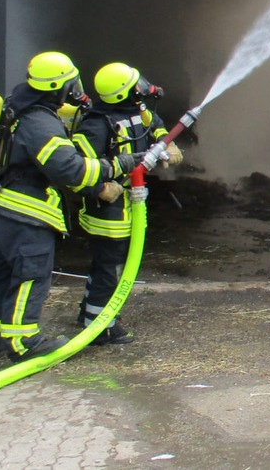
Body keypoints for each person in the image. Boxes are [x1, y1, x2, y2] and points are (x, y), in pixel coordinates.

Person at [0, 51, 136, 364]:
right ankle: (24, 344)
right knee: (29, 277)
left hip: (4, 211)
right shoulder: (40, 122)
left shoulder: (18, 108)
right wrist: (115, 165)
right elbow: (69, 169)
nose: (75, 89)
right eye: (71, 84)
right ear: (58, 87)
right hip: (27, 216)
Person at [71, 62, 183, 345]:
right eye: (138, 85)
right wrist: (99, 188)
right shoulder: (96, 125)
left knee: (105, 265)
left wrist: (167, 144)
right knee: (111, 268)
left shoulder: (139, 112)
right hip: (107, 209)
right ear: (125, 93)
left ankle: (88, 312)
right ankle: (101, 326)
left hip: (129, 204)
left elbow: (156, 129)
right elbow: (76, 167)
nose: (144, 88)